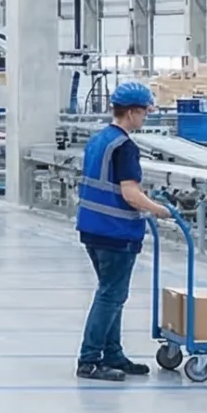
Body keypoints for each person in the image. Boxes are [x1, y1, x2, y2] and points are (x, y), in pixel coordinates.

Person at [74, 81, 174, 382]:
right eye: (145, 112)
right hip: (115, 231)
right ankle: (89, 359)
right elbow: (130, 194)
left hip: (93, 227)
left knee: (111, 293)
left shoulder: (100, 139)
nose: (145, 118)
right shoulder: (125, 147)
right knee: (111, 295)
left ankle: (112, 353)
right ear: (132, 112)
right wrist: (160, 210)